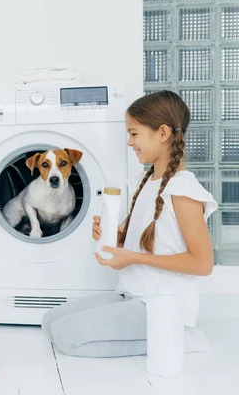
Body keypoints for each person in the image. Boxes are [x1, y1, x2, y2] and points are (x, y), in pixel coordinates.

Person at [41, 90, 218, 357]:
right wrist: (114, 238)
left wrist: (133, 257)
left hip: (160, 304)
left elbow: (202, 264)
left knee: (66, 337)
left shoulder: (183, 190)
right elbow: (140, 240)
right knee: (49, 322)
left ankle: (179, 338)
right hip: (131, 294)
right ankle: (166, 335)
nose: (129, 142)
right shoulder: (143, 182)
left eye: (134, 133)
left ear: (162, 133)